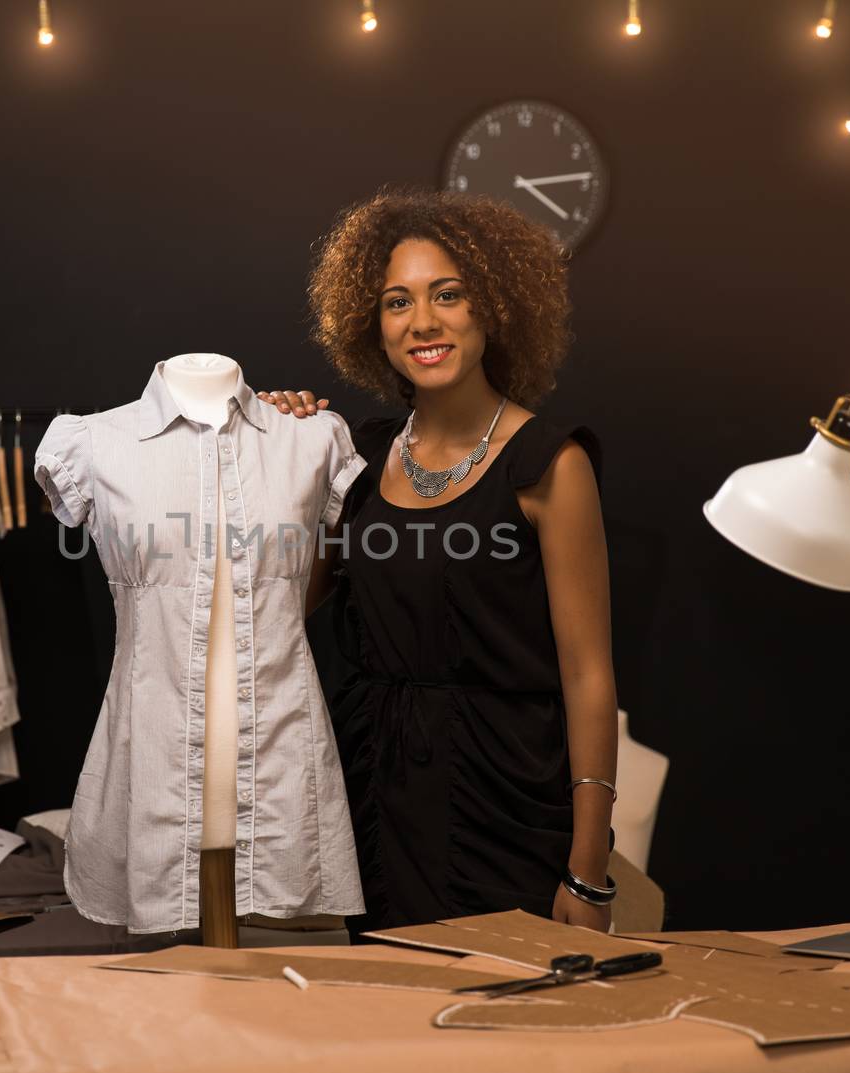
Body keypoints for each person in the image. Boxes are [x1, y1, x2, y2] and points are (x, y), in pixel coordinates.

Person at [262, 188, 618, 934]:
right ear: (373, 326)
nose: (422, 321)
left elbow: (588, 675)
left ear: (493, 305)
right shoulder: (354, 457)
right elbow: (280, 602)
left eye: (447, 295)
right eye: (397, 302)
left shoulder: (551, 464)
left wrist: (590, 869)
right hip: (372, 797)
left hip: (506, 799)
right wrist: (277, 452)